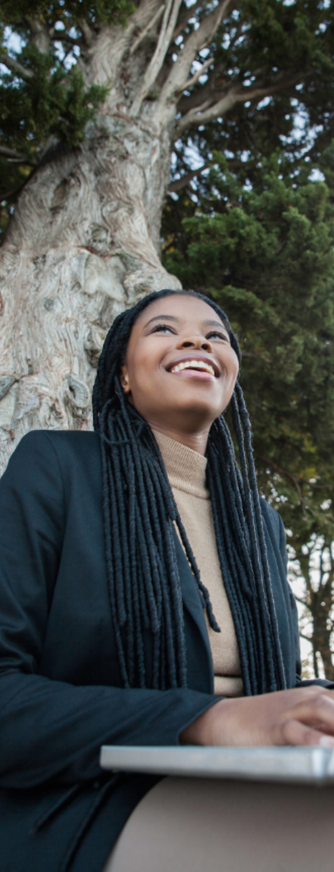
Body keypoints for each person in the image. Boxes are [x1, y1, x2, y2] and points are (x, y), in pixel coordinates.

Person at [1, 288, 334, 872]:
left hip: (258, 788)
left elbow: (264, 692)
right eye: (163, 328)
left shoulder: (259, 524)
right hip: (86, 801)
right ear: (123, 376)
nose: (197, 339)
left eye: (217, 335)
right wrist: (207, 721)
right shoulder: (55, 468)